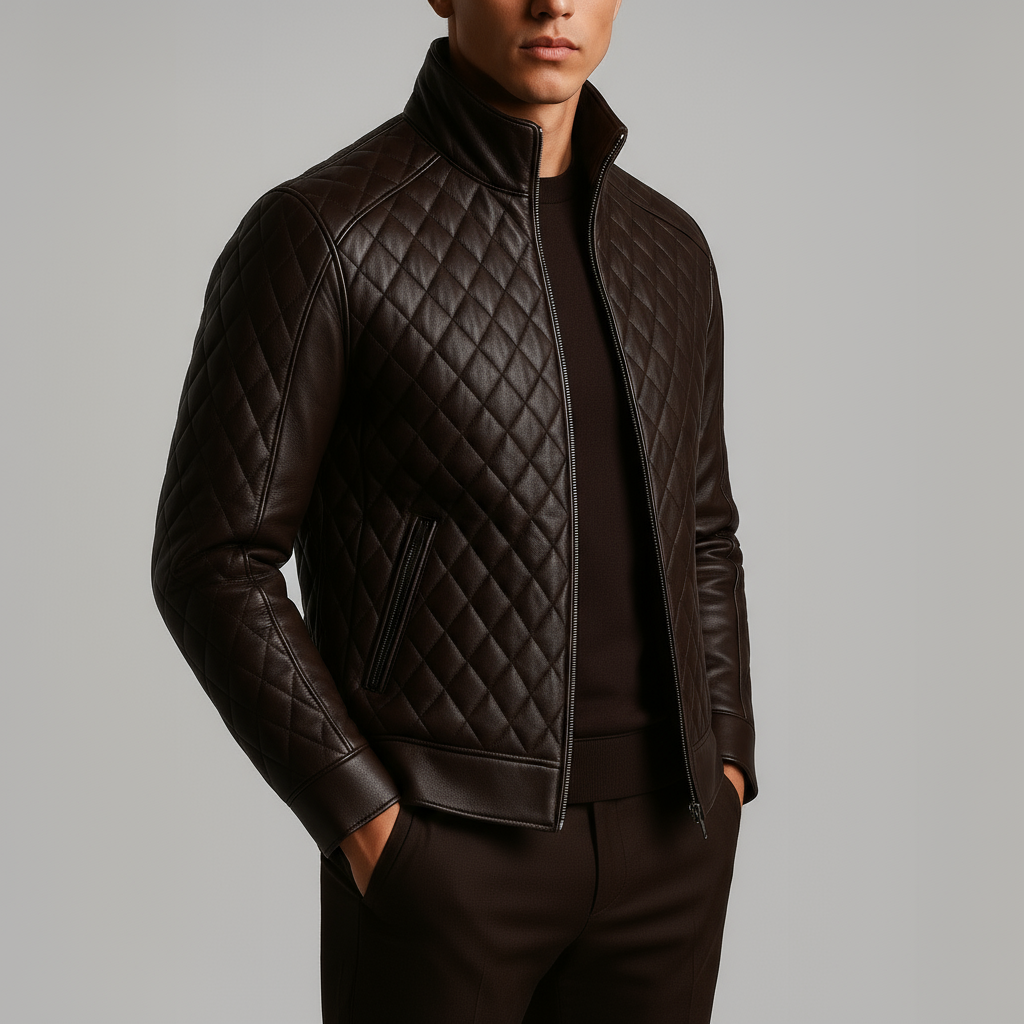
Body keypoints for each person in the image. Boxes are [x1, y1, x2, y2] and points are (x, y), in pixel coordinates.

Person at [152, 1, 756, 1021]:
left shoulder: (670, 248)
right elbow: (213, 557)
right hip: (445, 847)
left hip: (669, 840)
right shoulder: (326, 231)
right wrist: (367, 822)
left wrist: (726, 760)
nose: (554, 3)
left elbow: (704, 529)